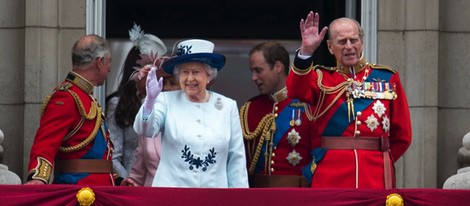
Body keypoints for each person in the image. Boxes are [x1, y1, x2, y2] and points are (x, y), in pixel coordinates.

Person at [286, 11, 412, 189]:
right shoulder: (321, 78)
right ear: (330, 47)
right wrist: (306, 51)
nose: (349, 46)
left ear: (362, 43)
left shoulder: (387, 78)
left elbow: (403, 135)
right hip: (331, 174)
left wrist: (383, 159)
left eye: (353, 40)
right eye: (341, 42)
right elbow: (295, 90)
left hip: (375, 173)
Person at [133, 39, 249, 188]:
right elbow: (145, 130)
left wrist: (239, 198)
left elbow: (236, 159)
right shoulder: (165, 100)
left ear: (209, 76)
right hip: (172, 196)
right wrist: (149, 101)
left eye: (196, 72)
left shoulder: (228, 106)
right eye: (184, 72)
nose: (189, 78)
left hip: (214, 197)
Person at [25, 34, 118, 185]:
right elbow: (45, 143)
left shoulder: (85, 97)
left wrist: (117, 180)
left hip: (98, 190)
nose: (110, 69)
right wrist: (38, 178)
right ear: (100, 63)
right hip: (78, 192)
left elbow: (97, 156)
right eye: (109, 62)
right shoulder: (66, 98)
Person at [240, 41, 318, 187]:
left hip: (297, 196)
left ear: (278, 67)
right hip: (257, 196)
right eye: (252, 71)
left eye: (258, 70)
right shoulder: (249, 110)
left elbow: (319, 155)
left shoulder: (308, 107)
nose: (254, 77)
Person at [106, 24, 167, 179]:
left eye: (158, 70)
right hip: (133, 186)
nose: (154, 75)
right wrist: (130, 184)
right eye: (150, 69)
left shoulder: (167, 101)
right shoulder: (118, 104)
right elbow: (114, 155)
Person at [120, 63, 181, 187]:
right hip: (153, 198)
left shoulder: (194, 121)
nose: (166, 88)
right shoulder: (148, 122)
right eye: (162, 83)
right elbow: (139, 171)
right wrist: (130, 184)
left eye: (172, 83)